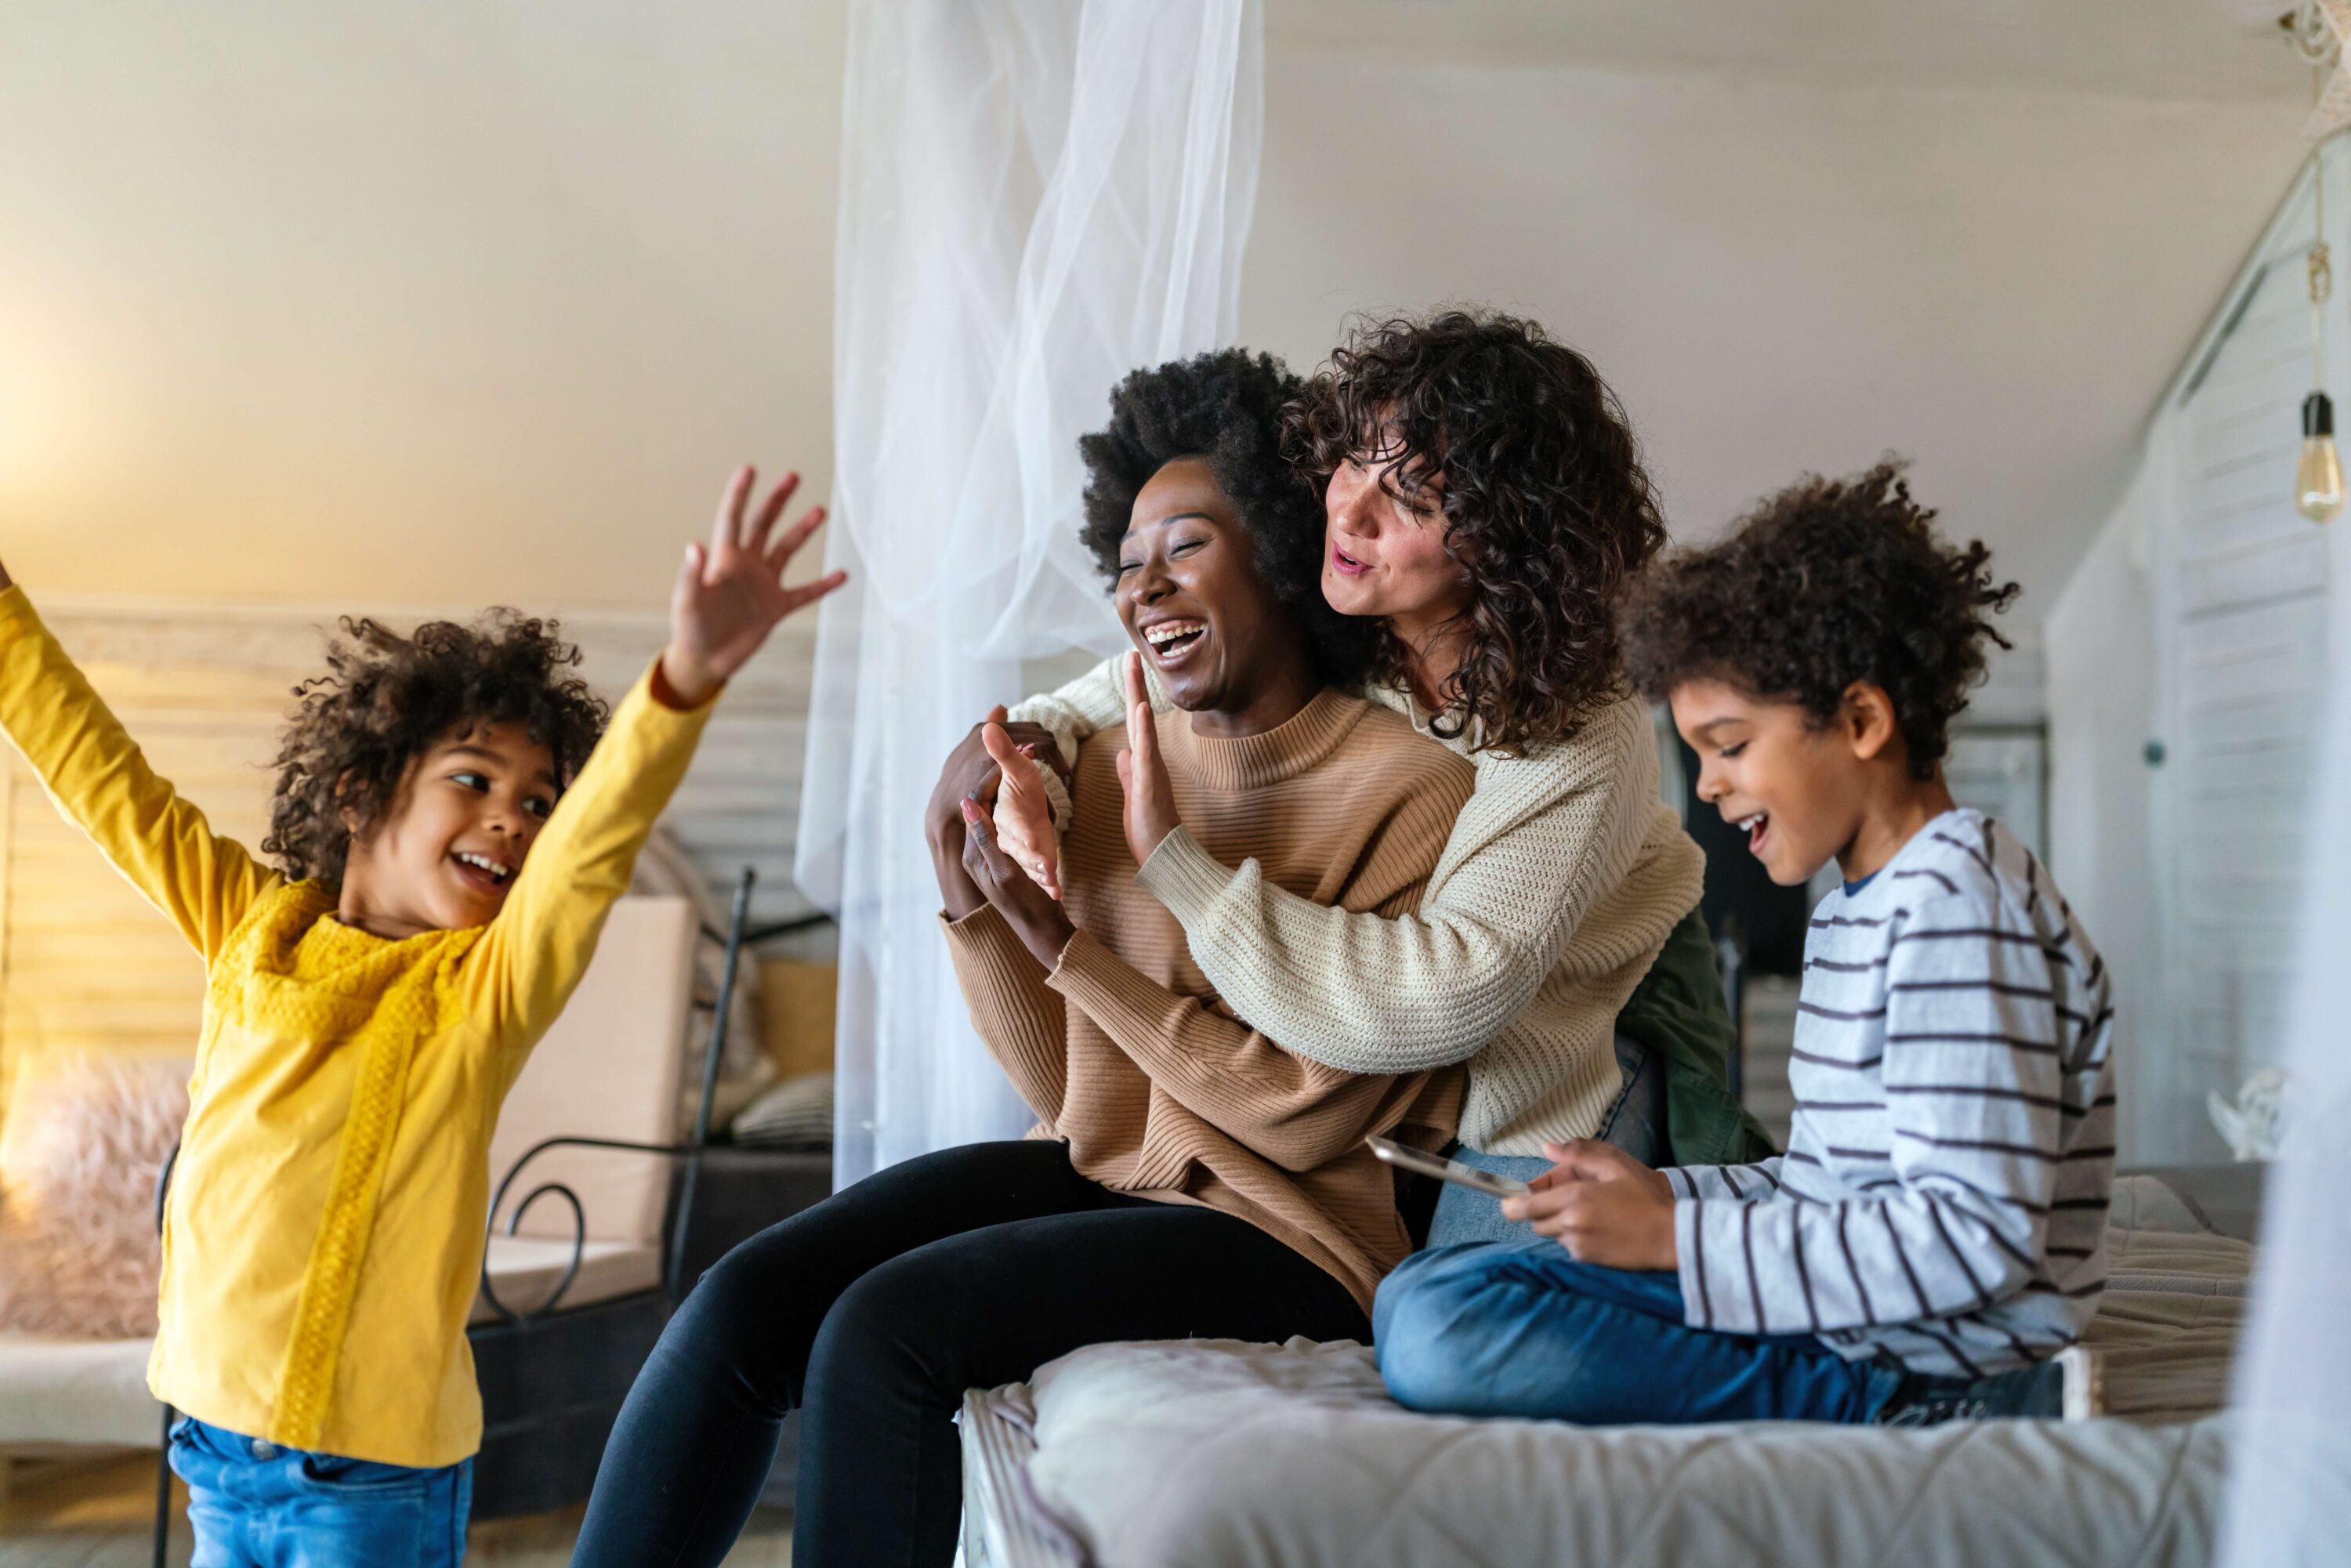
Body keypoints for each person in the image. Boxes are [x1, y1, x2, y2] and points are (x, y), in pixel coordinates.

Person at [571, 349, 1476, 1568]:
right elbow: (1073, 1099)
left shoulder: (1410, 790)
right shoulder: (1100, 767)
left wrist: (1063, 947)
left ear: (1279, 546)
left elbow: (1310, 1121)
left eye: (1186, 547)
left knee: (883, 1333)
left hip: (1296, 1233)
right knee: (742, 1305)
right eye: (1128, 563)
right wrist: (968, 898)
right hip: (1119, 1179)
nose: (1143, 589)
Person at [0, 468, 841, 1563]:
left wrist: (682, 679)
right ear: (360, 793)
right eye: (475, 779)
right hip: (212, 1450)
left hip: (371, 1486)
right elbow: (99, 772)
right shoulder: (250, 928)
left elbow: (591, 858)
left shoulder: (481, 994)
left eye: (537, 800)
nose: (513, 819)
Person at [976, 310, 1768, 1248]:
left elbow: (1449, 997)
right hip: (1420, 1039)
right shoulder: (1349, 597)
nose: (1348, 513)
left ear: (1506, 545)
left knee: (1455, 1333)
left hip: (1576, 1018)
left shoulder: (1579, 730)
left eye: (1413, 500)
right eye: (1355, 462)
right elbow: (1120, 685)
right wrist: (1027, 766)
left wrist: (1175, 866)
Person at [1373, 462, 2117, 1427]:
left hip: (1925, 1356)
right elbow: (1831, 1185)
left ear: (1860, 721)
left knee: (1443, 1326)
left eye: (1730, 745)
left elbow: (1974, 1240)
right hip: (1847, 1309)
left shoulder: (1957, 910)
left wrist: (1678, 1241)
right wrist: (1667, 1194)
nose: (1712, 788)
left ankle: (1923, 1408)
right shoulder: (1867, 899)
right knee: (1431, 1288)